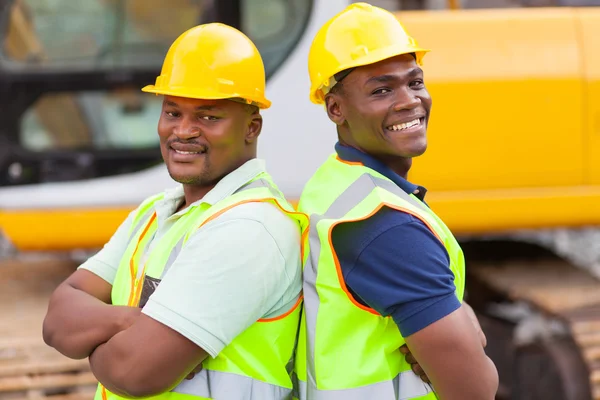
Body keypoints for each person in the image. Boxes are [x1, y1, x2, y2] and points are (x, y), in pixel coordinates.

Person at [43, 23, 308, 400]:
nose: (183, 131)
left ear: (252, 127)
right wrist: (131, 321)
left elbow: (134, 372)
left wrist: (96, 335)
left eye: (208, 117)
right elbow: (57, 317)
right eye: (172, 112)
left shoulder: (250, 227)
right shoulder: (155, 212)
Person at [294, 3, 498, 399]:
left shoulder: (335, 181)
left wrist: (460, 320)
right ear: (335, 108)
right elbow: (476, 389)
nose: (409, 101)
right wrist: (469, 334)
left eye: (415, 82)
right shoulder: (383, 224)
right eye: (382, 89)